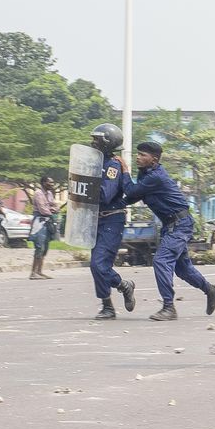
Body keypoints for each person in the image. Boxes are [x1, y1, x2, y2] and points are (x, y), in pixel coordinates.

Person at [120, 141, 215, 322]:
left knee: (161, 261)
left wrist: (124, 171)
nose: (138, 157)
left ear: (154, 160)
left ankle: (169, 307)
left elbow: (131, 190)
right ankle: (211, 290)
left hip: (179, 224)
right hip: (172, 225)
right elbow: (132, 196)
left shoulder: (156, 177)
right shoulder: (146, 175)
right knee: (183, 270)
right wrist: (109, 207)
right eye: (138, 154)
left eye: (143, 155)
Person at [88, 123, 137, 320]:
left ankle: (120, 290)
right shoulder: (94, 164)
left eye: (97, 140)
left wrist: (88, 181)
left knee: (98, 264)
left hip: (111, 220)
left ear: (108, 143)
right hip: (94, 221)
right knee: (97, 265)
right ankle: (113, 298)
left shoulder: (112, 166)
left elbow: (104, 195)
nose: (93, 143)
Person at [27, 176, 60, 280]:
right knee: (39, 247)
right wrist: (52, 210)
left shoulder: (49, 194)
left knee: (45, 247)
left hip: (47, 222)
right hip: (39, 222)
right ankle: (33, 273)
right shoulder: (38, 193)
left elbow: (55, 205)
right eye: (50, 182)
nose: (52, 184)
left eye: (52, 182)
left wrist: (52, 208)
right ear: (43, 183)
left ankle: (39, 272)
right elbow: (42, 210)